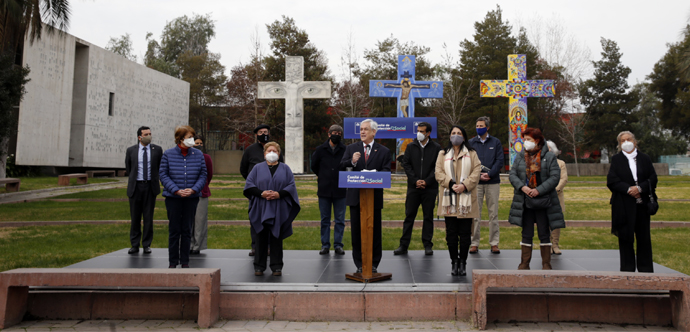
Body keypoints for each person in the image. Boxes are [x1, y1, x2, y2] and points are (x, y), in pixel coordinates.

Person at [340, 119, 392, 274]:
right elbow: (343, 167)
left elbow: (386, 171)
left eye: (366, 129)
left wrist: (374, 175)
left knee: (374, 231)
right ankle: (359, 263)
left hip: (373, 198)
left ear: (374, 132)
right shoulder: (351, 149)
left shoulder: (383, 151)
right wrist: (352, 162)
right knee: (357, 231)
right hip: (356, 198)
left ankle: (374, 263)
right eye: (361, 129)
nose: (362, 132)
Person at [508, 128, 564, 270]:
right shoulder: (520, 156)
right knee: (526, 233)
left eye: (529, 140)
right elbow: (513, 174)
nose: (526, 142)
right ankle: (524, 263)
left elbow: (554, 177)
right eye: (524, 139)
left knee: (544, 232)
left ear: (537, 140)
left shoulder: (549, 156)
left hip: (543, 200)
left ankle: (546, 263)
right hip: (525, 200)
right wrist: (523, 187)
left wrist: (538, 190)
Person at [244, 142, 300, 276]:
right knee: (260, 236)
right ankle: (259, 266)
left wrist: (279, 194)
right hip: (261, 207)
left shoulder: (285, 169)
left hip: (278, 208)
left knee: (276, 236)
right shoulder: (257, 168)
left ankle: (276, 266)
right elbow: (249, 185)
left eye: (275, 151)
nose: (272, 153)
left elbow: (291, 186)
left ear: (279, 154)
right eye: (269, 151)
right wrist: (262, 193)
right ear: (264, 154)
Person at [607, 131, 657, 273]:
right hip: (624, 205)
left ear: (635, 142)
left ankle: (646, 269)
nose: (626, 142)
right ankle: (627, 269)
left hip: (642, 204)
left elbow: (653, 179)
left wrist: (640, 188)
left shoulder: (645, 158)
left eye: (629, 139)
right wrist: (629, 189)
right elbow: (612, 181)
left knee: (644, 238)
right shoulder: (616, 159)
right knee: (625, 237)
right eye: (623, 140)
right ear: (619, 144)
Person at [435, 125, 481, 276]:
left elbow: (477, 171)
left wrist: (464, 185)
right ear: (449, 136)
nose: (456, 135)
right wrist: (450, 184)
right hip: (449, 200)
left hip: (466, 199)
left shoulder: (472, 153)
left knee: (465, 234)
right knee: (451, 234)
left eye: (459, 133)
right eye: (453, 133)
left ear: (464, 137)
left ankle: (463, 262)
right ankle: (454, 261)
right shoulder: (442, 154)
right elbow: (438, 172)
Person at [159, 125, 207, 268]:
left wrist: (193, 190)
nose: (192, 140)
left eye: (193, 137)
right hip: (173, 198)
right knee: (174, 230)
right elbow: (163, 174)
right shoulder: (168, 154)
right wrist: (176, 190)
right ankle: (173, 262)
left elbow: (203, 174)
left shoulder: (198, 155)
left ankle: (185, 261)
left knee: (187, 230)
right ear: (180, 139)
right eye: (189, 137)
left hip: (191, 198)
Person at [394, 121, 442, 256]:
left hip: (430, 188)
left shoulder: (437, 148)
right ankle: (403, 245)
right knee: (409, 216)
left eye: (422, 131)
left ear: (428, 133)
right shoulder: (410, 146)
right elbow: (406, 165)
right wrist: (415, 181)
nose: (419, 133)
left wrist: (427, 181)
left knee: (428, 217)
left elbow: (438, 168)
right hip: (413, 188)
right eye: (418, 131)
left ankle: (427, 245)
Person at [240, 124, 283, 256]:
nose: (264, 133)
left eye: (266, 131)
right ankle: (256, 246)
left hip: (274, 193)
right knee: (256, 219)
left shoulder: (275, 150)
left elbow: (281, 168)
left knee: (273, 220)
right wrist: (253, 184)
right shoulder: (250, 150)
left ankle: (271, 246)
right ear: (256, 134)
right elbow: (243, 169)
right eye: (261, 132)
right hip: (257, 193)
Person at [467, 116, 504, 254]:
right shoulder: (471, 143)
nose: (479, 127)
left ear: (487, 127)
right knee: (475, 214)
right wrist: (478, 175)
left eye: (481, 125)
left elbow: (499, 160)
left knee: (493, 214)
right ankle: (474, 243)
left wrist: (490, 174)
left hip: (492, 182)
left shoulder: (496, 142)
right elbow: (468, 161)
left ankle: (494, 243)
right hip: (477, 183)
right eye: (477, 125)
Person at [125, 126, 162, 255]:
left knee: (148, 217)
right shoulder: (131, 151)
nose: (149, 136)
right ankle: (134, 244)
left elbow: (159, 167)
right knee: (135, 217)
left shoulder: (157, 150)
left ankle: (146, 244)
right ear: (139, 137)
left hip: (150, 188)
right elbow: (129, 169)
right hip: (136, 187)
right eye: (146, 134)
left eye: (150, 133)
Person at [311, 124, 347, 255]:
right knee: (325, 219)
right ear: (329, 134)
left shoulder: (345, 149)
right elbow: (314, 166)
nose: (336, 135)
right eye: (334, 133)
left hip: (340, 190)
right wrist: (323, 176)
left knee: (340, 220)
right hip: (324, 190)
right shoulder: (320, 150)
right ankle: (325, 245)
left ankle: (338, 245)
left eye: (339, 133)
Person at [191, 137, 213, 255]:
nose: (199, 145)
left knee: (200, 221)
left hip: (202, 192)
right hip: (188, 193)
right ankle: (188, 244)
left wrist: (203, 186)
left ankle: (197, 246)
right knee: (189, 221)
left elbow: (209, 174)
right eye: (196, 143)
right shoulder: (187, 157)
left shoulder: (206, 158)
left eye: (200, 143)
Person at [546, 140, 568, 255]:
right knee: (545, 222)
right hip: (543, 197)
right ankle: (547, 245)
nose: (548, 150)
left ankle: (555, 245)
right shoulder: (539, 162)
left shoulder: (561, 163)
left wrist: (555, 190)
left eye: (550, 148)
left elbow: (563, 179)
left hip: (556, 196)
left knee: (555, 222)